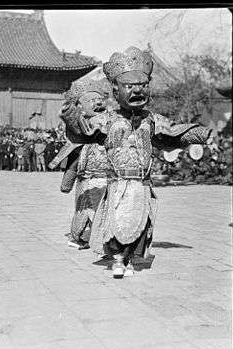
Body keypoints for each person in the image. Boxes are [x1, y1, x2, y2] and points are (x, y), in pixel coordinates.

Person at [89, 46, 212, 278]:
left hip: (142, 184)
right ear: (116, 90)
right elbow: (83, 129)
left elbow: (175, 132)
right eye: (130, 87)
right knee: (118, 221)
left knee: (140, 223)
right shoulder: (107, 119)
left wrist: (203, 134)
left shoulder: (152, 120)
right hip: (118, 183)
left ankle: (131, 260)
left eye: (142, 86)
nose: (137, 91)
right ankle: (117, 260)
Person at [49, 79, 110, 248]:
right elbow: (73, 120)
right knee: (85, 205)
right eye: (91, 101)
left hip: (107, 173)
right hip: (88, 173)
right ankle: (78, 236)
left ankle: (102, 237)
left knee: (105, 206)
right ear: (81, 106)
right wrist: (71, 107)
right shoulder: (81, 123)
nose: (97, 103)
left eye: (99, 100)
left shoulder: (109, 120)